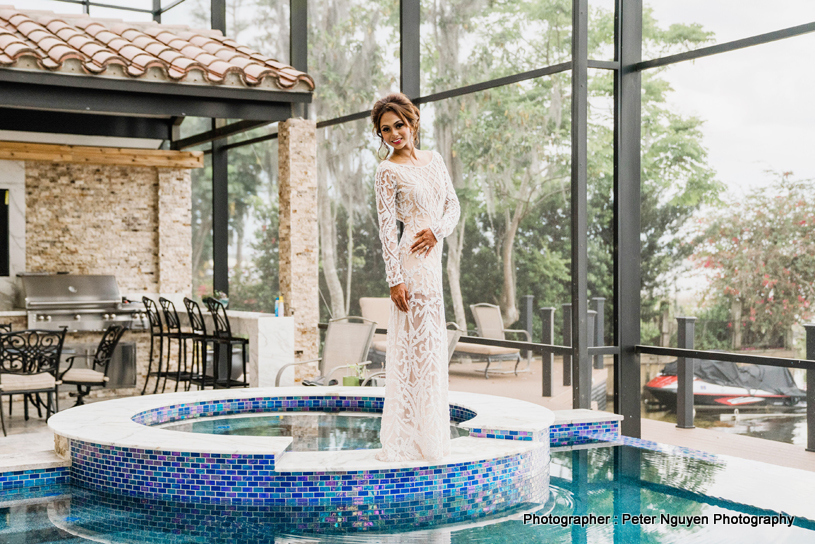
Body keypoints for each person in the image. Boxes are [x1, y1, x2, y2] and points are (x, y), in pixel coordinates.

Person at [371, 93, 460, 461]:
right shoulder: (386, 171)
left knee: (431, 350)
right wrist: (395, 279)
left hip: (432, 260)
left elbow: (453, 206)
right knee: (412, 352)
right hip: (411, 265)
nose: (393, 134)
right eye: (385, 130)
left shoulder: (435, 160)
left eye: (398, 125)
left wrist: (437, 231)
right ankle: (406, 439)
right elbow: (386, 229)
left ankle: (431, 437)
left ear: (412, 122)